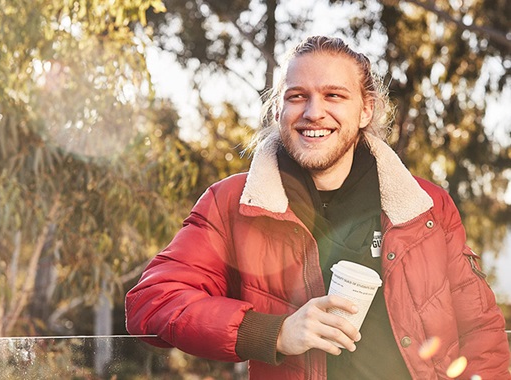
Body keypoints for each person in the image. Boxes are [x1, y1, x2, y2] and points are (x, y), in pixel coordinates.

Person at [125, 35, 511, 379]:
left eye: (334, 96)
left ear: (365, 110)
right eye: (297, 96)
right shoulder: (232, 204)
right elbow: (152, 301)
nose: (313, 112)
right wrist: (274, 333)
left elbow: (482, 334)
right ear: (278, 110)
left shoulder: (426, 206)